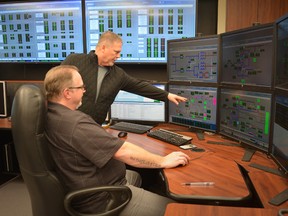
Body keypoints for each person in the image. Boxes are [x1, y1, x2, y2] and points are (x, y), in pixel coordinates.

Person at [44, 65, 190, 216]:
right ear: (67, 93)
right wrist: (163, 161)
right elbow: (124, 152)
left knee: (137, 176)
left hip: (94, 185)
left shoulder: (52, 113)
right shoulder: (75, 123)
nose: (84, 91)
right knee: (178, 210)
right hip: (103, 199)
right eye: (81, 87)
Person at [61, 30, 187, 125]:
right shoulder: (75, 60)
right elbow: (54, 85)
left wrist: (166, 95)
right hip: (67, 125)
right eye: (116, 52)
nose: (118, 56)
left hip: (93, 129)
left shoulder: (118, 74)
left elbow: (139, 86)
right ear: (103, 48)